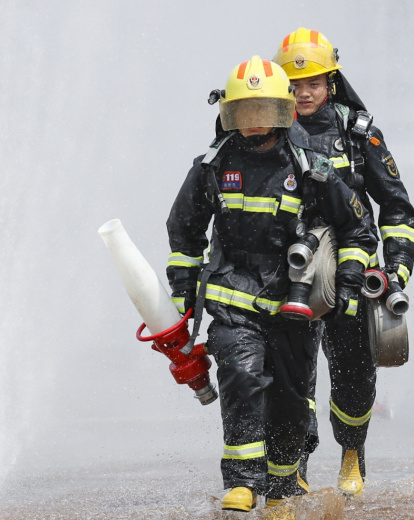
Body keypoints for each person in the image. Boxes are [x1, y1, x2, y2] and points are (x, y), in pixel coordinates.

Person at [166, 55, 376, 512]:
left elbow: (357, 229)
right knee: (242, 379)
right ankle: (242, 482)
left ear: (282, 111)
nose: (254, 121)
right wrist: (182, 295)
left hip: (293, 308)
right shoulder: (212, 166)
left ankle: (281, 492)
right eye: (245, 111)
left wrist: (347, 283)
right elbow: (184, 232)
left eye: (263, 110)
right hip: (233, 302)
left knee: (291, 403)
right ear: (229, 113)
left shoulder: (312, 166)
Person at [272, 28, 414, 498]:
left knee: (354, 374)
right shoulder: (267, 134)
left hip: (352, 273)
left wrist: (396, 271)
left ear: (331, 82)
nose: (304, 93)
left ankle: (352, 452)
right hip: (290, 274)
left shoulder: (358, 135)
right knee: (291, 376)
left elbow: (397, 209)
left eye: (313, 83)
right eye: (294, 85)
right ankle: (296, 462)